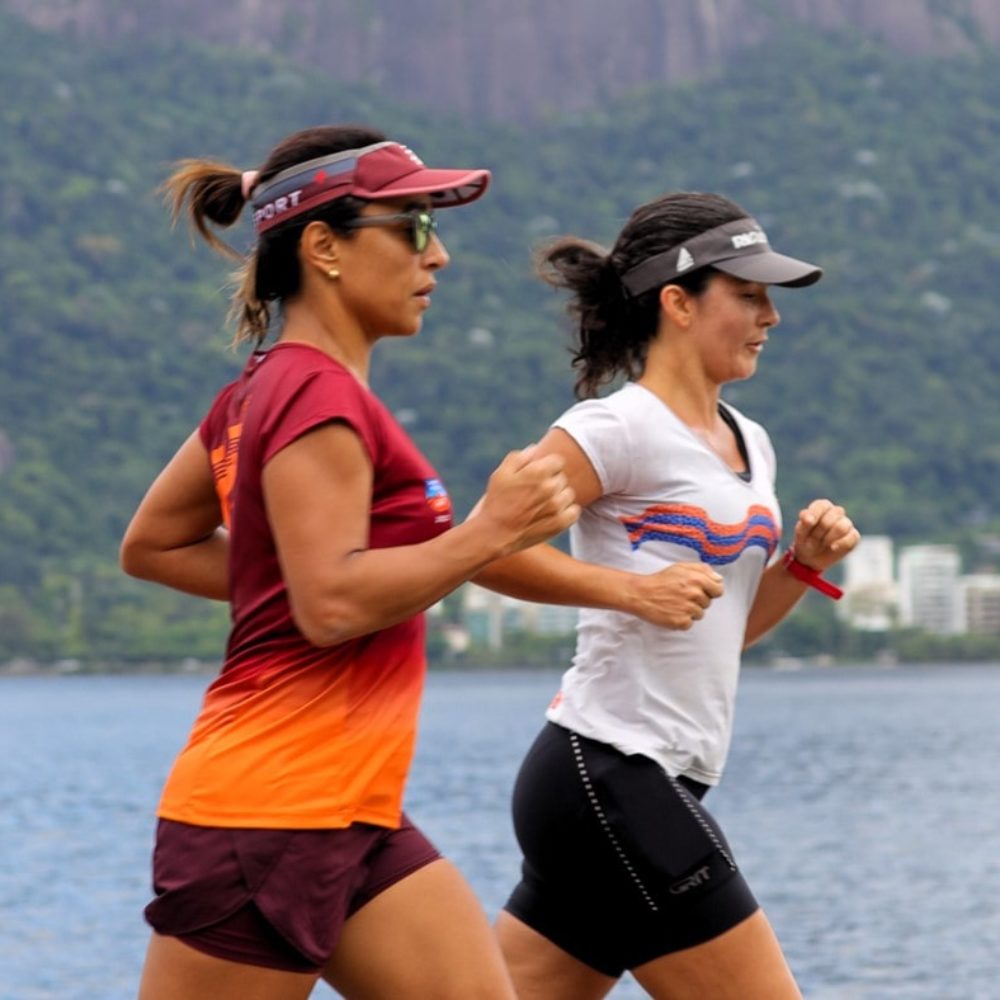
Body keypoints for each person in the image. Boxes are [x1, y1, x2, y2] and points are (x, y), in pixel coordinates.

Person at [119, 124, 578, 1000]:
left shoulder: (261, 389)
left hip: (351, 813)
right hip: (266, 815)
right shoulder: (313, 393)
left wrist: (282, 579)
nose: (437, 256)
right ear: (324, 246)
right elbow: (329, 605)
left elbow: (159, 545)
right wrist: (490, 531)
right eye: (410, 226)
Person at [473, 191, 860, 999]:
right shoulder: (612, 428)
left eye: (770, 298)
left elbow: (725, 630)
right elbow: (480, 551)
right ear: (679, 303)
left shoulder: (750, 441)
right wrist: (628, 591)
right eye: (748, 295)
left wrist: (800, 565)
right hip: (609, 769)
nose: (770, 317)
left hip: (656, 781)